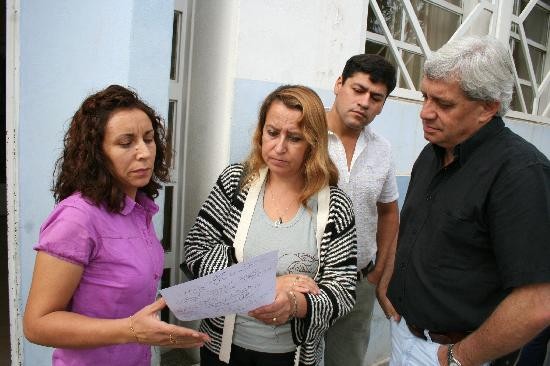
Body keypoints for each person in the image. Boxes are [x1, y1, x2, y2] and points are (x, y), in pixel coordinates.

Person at [386, 35, 550, 366]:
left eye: (443, 104)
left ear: (488, 107)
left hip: (456, 354)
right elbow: (414, 232)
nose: (425, 113)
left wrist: (459, 357)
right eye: (424, 96)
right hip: (405, 334)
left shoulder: (520, 174)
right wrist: (389, 294)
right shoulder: (432, 153)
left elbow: (537, 301)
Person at [23, 85, 210, 366]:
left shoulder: (138, 209)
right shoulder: (77, 218)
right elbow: (37, 325)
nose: (144, 153)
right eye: (126, 143)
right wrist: (131, 330)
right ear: (96, 153)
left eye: (148, 139)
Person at [183, 85, 357, 366]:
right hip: (222, 350)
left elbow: (343, 290)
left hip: (293, 357)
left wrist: (296, 304)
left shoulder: (334, 206)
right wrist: (265, 283)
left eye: (295, 138)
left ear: (313, 143)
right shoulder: (235, 183)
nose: (279, 147)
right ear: (260, 132)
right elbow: (196, 254)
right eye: (272, 133)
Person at [323, 54, 400, 366]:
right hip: (305, 279)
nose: (365, 102)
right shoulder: (305, 136)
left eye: (376, 97)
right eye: (358, 89)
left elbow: (389, 213)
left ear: (382, 104)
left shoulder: (382, 149)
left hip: (358, 283)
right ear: (339, 84)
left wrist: (377, 272)